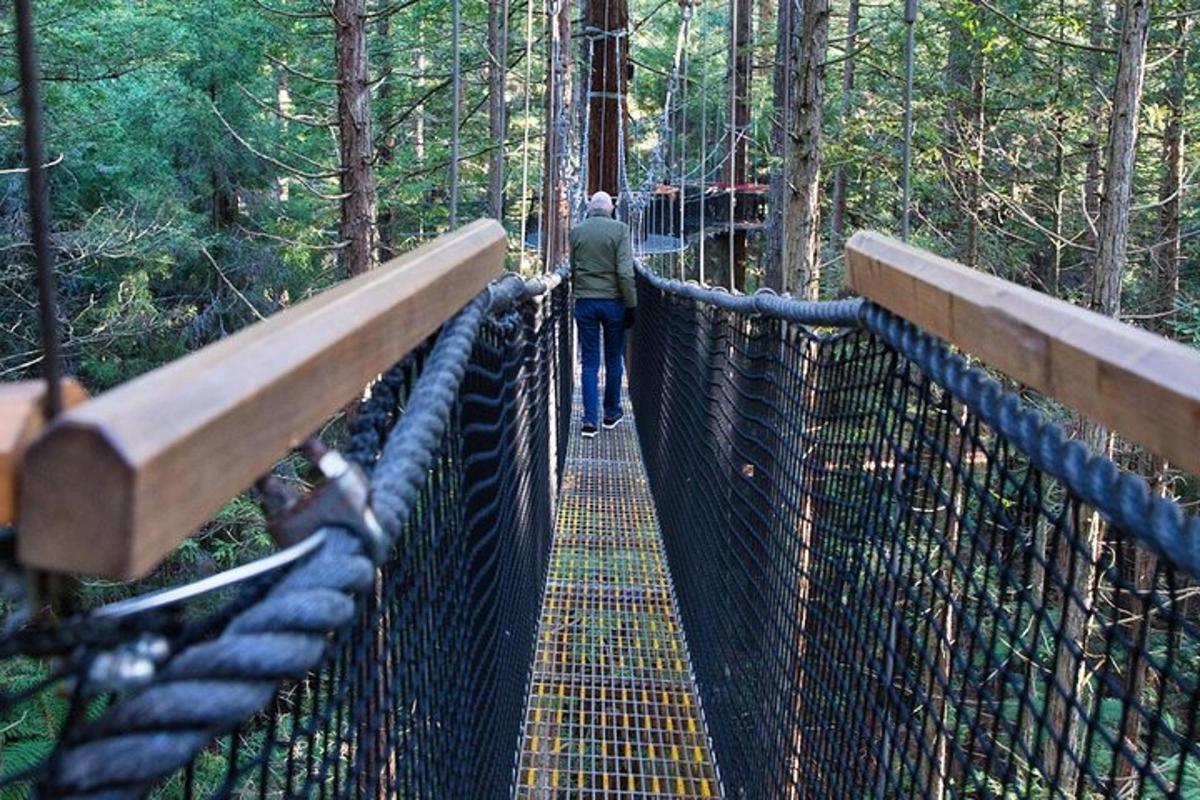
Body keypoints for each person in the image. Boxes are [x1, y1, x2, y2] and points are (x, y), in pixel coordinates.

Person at [569, 190, 637, 439]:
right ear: (611, 208)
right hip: (613, 304)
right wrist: (631, 305)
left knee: (588, 362)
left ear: (590, 207)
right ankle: (610, 413)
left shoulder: (577, 231)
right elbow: (625, 273)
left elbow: (574, 268)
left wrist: (580, 291)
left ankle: (589, 421)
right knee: (613, 359)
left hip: (585, 302)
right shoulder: (620, 230)